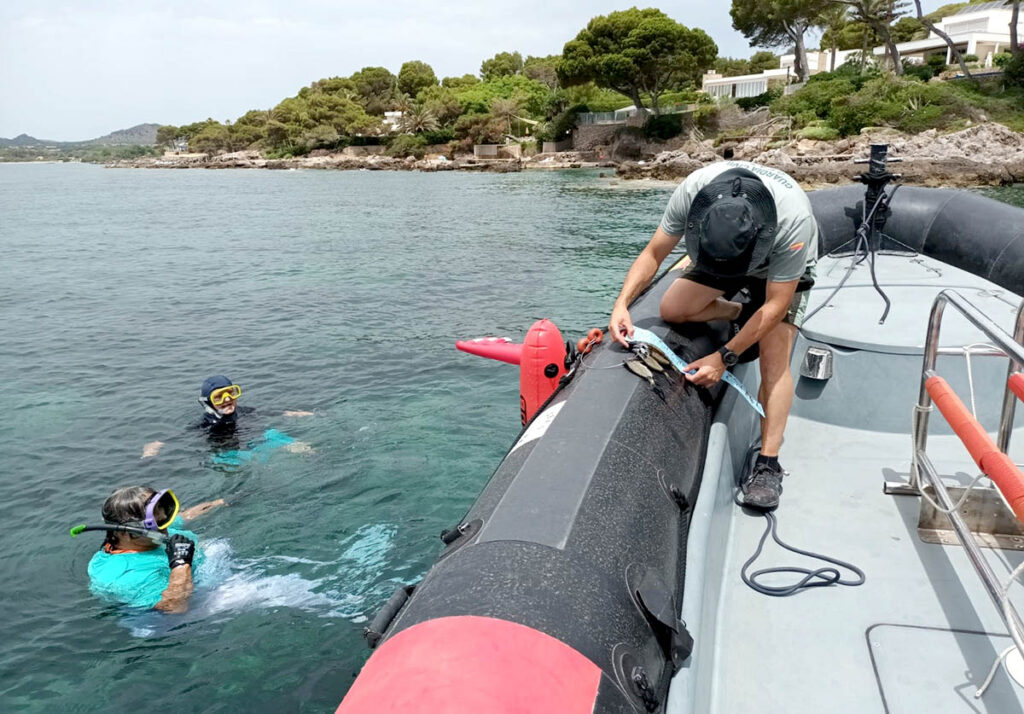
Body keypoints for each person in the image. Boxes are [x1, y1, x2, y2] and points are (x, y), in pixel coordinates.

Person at [608, 161, 817, 510]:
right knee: (673, 308)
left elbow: (777, 304)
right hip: (723, 253)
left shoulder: (793, 222)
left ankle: (769, 463)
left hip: (781, 268)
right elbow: (654, 253)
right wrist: (621, 304)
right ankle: (738, 312)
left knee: (774, 358)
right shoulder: (693, 191)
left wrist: (724, 357)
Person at [87, 486, 225, 612]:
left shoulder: (154, 534)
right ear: (125, 533)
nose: (164, 518)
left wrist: (219, 503)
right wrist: (181, 564)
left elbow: (185, 516)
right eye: (157, 521)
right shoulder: (125, 575)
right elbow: (174, 608)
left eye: (163, 511)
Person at [142, 375, 313, 459]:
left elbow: (265, 412)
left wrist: (290, 413)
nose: (227, 400)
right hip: (226, 449)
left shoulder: (243, 412)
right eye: (219, 397)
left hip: (250, 439)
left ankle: (306, 452)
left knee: (272, 433)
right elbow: (184, 434)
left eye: (230, 393)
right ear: (208, 402)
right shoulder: (206, 424)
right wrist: (157, 444)